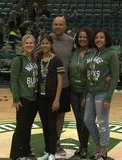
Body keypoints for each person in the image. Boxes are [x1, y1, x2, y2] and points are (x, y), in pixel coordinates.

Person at [84, 29, 119, 160]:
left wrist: (108, 98)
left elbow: (115, 77)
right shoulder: (92, 53)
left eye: (101, 38)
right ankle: (99, 145)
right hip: (90, 92)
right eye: (97, 38)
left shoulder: (111, 54)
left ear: (106, 39)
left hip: (103, 93)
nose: (98, 40)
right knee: (87, 120)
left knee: (103, 122)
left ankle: (103, 151)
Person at [9, 34, 38, 160]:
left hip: (34, 98)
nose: (29, 45)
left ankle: (26, 151)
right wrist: (16, 98)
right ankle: (15, 154)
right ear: (23, 45)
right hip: (23, 99)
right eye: (27, 43)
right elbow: (13, 80)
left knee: (28, 126)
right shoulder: (18, 60)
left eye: (31, 43)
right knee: (20, 127)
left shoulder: (34, 60)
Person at [37, 34, 65, 160]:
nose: (44, 46)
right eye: (42, 43)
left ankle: (53, 153)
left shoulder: (57, 60)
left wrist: (57, 99)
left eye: (47, 43)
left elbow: (60, 81)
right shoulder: (38, 58)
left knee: (52, 125)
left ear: (51, 45)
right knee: (44, 124)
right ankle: (47, 151)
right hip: (40, 97)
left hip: (52, 97)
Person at [51, 16, 73, 156]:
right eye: (55, 24)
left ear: (65, 26)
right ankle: (49, 141)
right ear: (52, 26)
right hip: (47, 86)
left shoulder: (71, 41)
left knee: (60, 116)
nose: (58, 26)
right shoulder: (45, 39)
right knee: (47, 116)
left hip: (64, 85)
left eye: (60, 24)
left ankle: (57, 141)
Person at [69, 26, 93, 158]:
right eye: (80, 37)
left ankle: (84, 146)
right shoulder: (73, 52)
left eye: (84, 36)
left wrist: (86, 94)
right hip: (73, 91)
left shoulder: (93, 53)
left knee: (85, 120)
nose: (82, 39)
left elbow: (92, 75)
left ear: (89, 39)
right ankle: (81, 145)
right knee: (78, 120)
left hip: (86, 92)